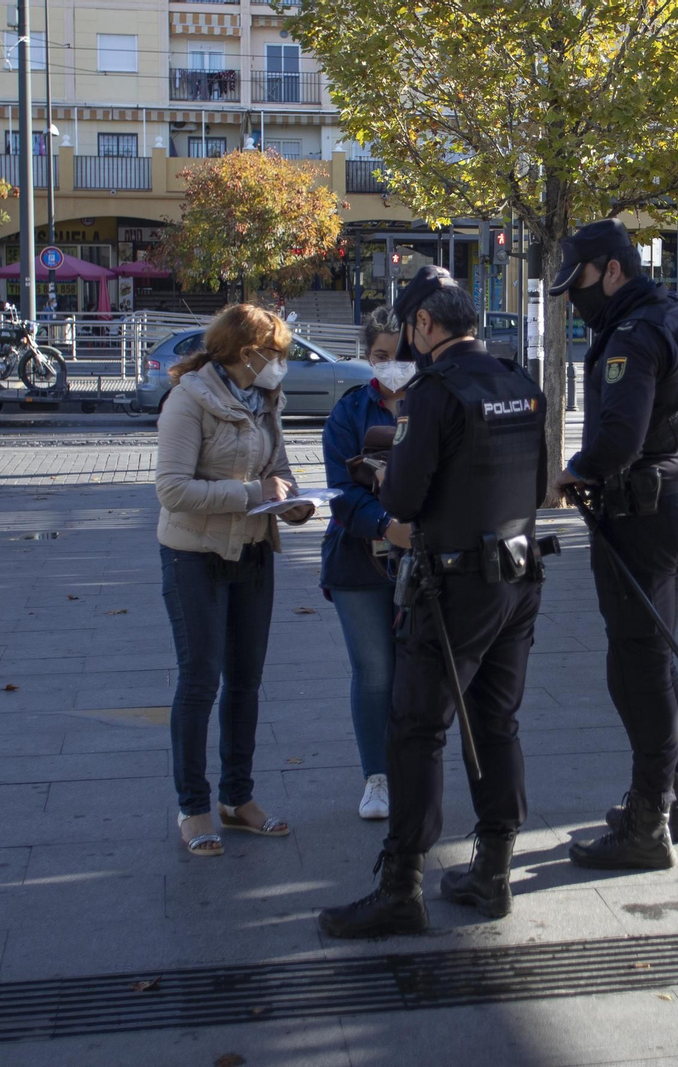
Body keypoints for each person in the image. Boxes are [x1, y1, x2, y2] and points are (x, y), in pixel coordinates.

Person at [319, 267, 548, 938]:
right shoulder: (519, 381)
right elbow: (537, 484)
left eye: (411, 332)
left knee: (416, 728)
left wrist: (392, 472)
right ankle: (494, 870)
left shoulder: (434, 393)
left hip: (454, 585)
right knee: (497, 722)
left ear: (423, 325)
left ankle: (400, 887)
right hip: (519, 575)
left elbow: (402, 501)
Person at [550, 219, 678, 871]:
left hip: (641, 521)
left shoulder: (632, 334)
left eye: (581, 282)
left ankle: (648, 820)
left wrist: (576, 469)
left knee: (637, 670)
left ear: (613, 271)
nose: (576, 297)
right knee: (658, 660)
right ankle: (669, 798)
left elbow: (617, 439)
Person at [155, 303, 314, 857]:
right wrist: (253, 496)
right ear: (246, 353)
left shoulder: (265, 399)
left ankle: (237, 799)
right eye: (277, 354)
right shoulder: (188, 399)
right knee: (200, 680)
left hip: (252, 553)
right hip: (193, 556)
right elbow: (172, 490)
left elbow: (280, 472)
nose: (281, 365)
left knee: (245, 680)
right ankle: (193, 808)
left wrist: (294, 503)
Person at [319, 308, 415, 820]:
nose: (392, 365)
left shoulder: (435, 403)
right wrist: (384, 524)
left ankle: (412, 771)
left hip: (423, 558)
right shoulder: (351, 411)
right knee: (375, 671)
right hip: (358, 558)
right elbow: (340, 495)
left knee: (414, 671)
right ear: (367, 356)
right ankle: (376, 778)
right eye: (381, 356)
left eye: (401, 355)